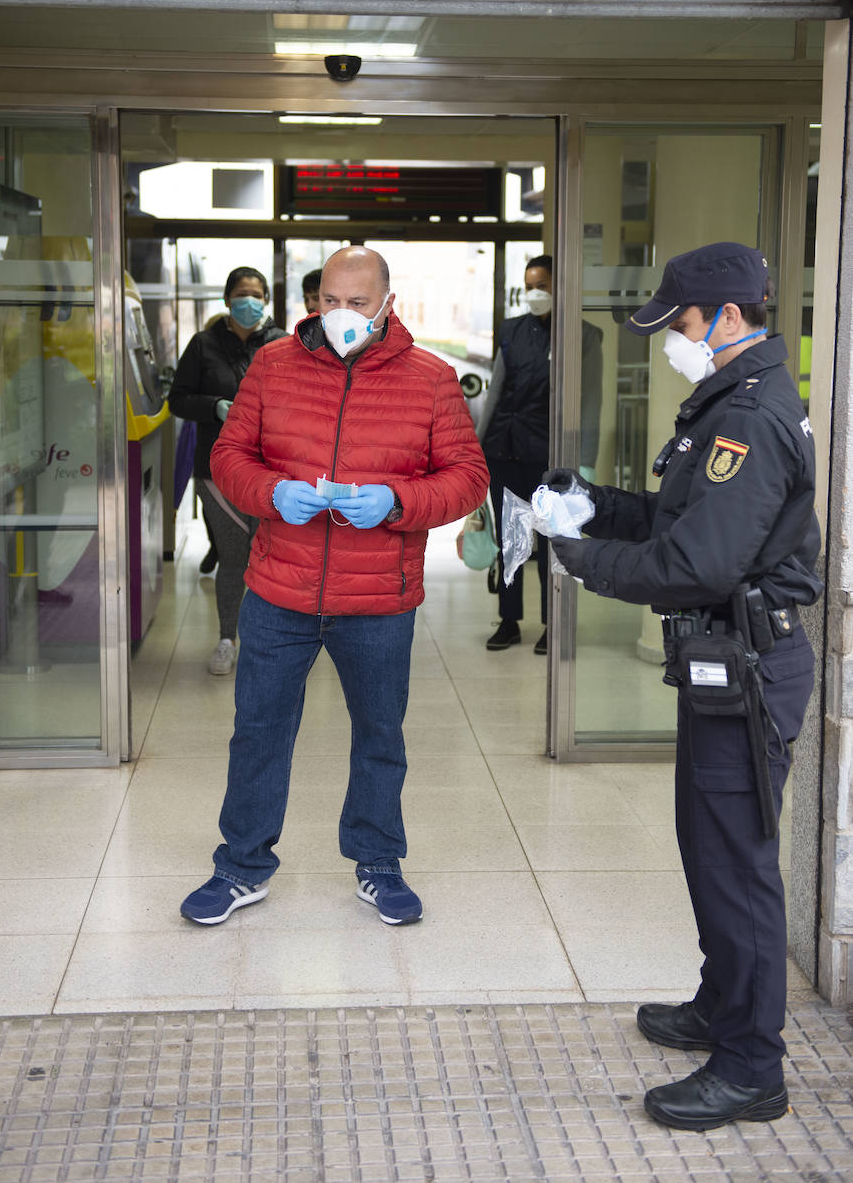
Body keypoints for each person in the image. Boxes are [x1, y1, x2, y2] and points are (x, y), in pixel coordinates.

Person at [546, 241, 822, 1132]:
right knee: (707, 846)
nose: (673, 339)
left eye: (683, 325)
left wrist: (581, 560)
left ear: (730, 320)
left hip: (747, 667)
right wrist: (589, 500)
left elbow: (697, 563)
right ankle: (720, 1005)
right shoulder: (724, 406)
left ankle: (751, 1067)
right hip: (721, 667)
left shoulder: (750, 417)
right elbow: (682, 517)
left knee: (736, 864)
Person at [180, 246, 489, 927]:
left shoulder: (430, 380)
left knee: (380, 735)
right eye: (329, 301)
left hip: (378, 599)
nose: (341, 315)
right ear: (313, 302)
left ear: (387, 304)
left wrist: (395, 502)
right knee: (258, 732)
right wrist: (269, 492)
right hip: (278, 591)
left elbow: (467, 478)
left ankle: (377, 863)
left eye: (357, 302)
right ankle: (241, 866)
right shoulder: (273, 365)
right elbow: (229, 455)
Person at [478, 254, 603, 654]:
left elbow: (592, 400)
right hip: (503, 448)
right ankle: (510, 621)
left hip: (548, 455)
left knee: (554, 541)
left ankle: (554, 624)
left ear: (559, 288)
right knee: (510, 539)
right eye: (529, 285)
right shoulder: (512, 330)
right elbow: (495, 390)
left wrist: (585, 458)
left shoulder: (583, 335)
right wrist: (478, 447)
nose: (534, 294)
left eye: (542, 287)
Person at [168, 267, 286, 674]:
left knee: (272, 557)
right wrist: (215, 406)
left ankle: (270, 642)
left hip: (272, 472)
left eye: (256, 294)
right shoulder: (203, 345)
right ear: (226, 299)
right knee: (235, 557)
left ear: (266, 300)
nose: (248, 301)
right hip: (217, 471)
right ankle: (227, 639)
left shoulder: (283, 343)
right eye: (241, 294)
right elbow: (178, 400)